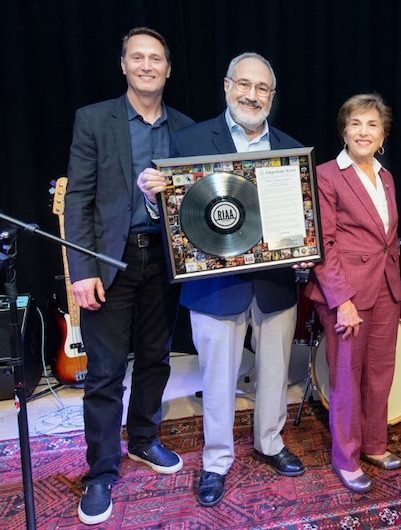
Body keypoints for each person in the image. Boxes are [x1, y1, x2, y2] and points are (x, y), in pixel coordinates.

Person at [139, 52, 306, 508]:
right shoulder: (189, 140)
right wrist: (156, 201)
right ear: (227, 86)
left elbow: (299, 222)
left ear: (272, 95)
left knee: (274, 372)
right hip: (213, 287)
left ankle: (270, 442)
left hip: (273, 285)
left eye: (263, 88)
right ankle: (216, 461)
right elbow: (174, 222)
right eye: (245, 85)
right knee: (216, 379)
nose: (252, 95)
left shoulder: (291, 149)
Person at [65, 27, 194, 525]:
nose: (146, 66)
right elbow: (76, 199)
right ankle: (100, 471)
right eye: (137, 58)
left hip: (163, 261)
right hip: (108, 265)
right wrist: (81, 271)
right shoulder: (94, 119)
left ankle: (143, 439)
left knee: (156, 360)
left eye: (155, 59)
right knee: (104, 373)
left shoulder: (183, 127)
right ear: (123, 65)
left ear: (167, 68)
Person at [304, 93, 401, 493]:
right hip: (346, 295)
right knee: (346, 378)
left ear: (382, 135)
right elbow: (322, 243)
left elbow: (387, 239)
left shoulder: (386, 176)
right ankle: (346, 458)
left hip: (385, 290)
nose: (364, 132)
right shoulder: (327, 174)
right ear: (344, 130)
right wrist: (341, 299)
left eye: (372, 125)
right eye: (356, 124)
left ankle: (375, 445)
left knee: (380, 375)